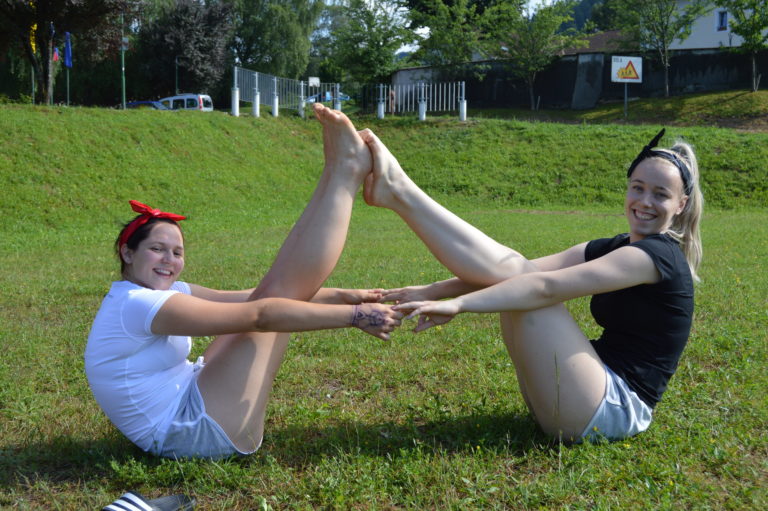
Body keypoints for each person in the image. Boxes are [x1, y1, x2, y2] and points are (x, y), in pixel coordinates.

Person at [85, 104, 402, 459]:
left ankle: (337, 170)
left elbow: (248, 298)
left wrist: (345, 295)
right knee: (274, 298)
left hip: (191, 396)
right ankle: (344, 173)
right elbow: (260, 316)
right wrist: (355, 316)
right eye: (157, 249)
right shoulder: (138, 304)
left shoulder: (159, 292)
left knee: (271, 291)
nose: (169, 260)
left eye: (177, 252)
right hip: (188, 431)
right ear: (128, 253)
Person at [359, 127, 702, 442]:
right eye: (638, 188)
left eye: (660, 194)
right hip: (580, 397)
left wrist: (459, 305)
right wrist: (434, 290)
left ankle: (402, 192)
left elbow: (544, 288)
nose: (645, 201)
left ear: (681, 205)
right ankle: (399, 193)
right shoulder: (616, 246)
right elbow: (523, 270)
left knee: (525, 285)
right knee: (517, 274)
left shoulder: (657, 256)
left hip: (612, 409)